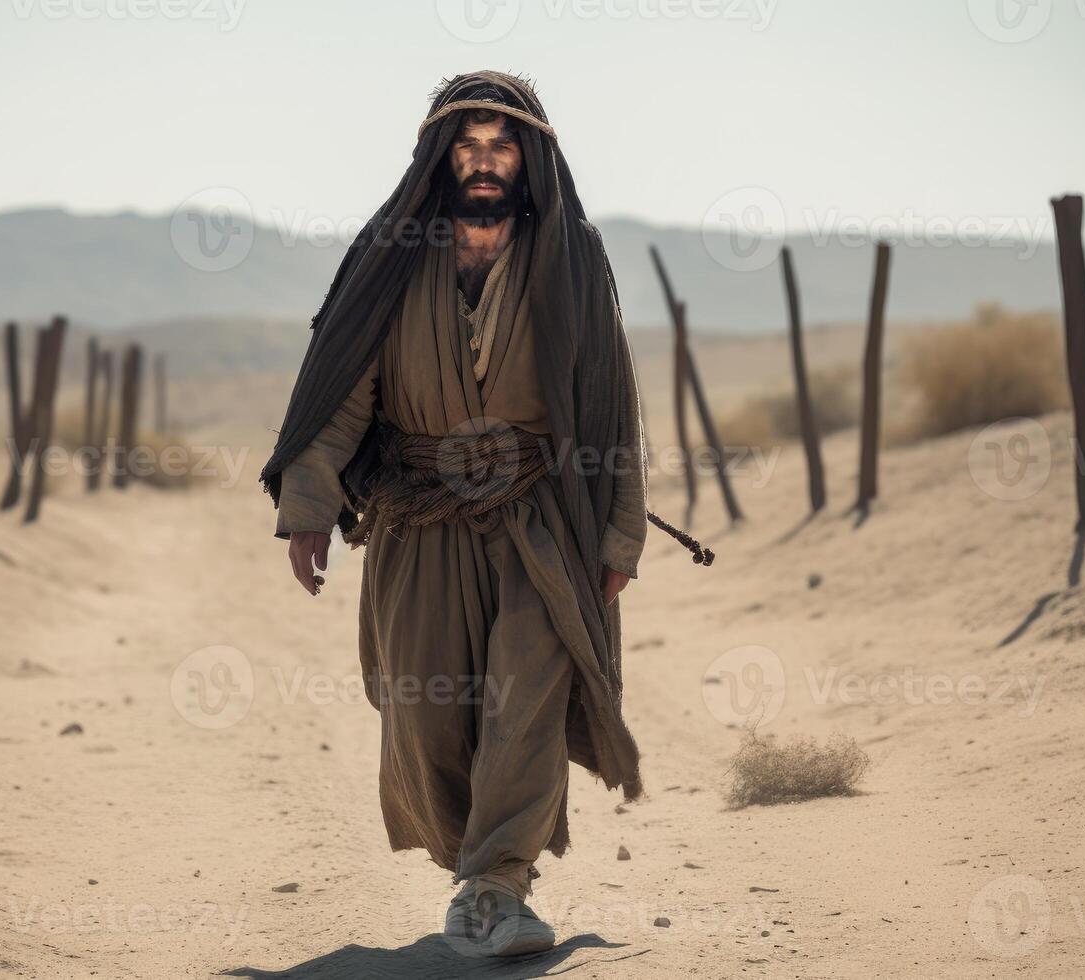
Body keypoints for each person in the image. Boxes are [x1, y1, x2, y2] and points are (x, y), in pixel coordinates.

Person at [261, 70, 650, 957]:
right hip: (417, 516)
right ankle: (468, 862)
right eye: (467, 145)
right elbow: (340, 396)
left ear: (530, 156)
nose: (483, 162)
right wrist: (309, 509)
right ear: (441, 155)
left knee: (527, 701)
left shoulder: (571, 255)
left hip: (544, 518)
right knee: (427, 712)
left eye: (501, 144)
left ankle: (496, 884)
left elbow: (610, 406)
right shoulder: (392, 255)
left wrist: (620, 531)